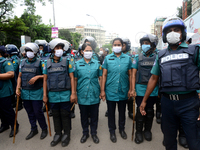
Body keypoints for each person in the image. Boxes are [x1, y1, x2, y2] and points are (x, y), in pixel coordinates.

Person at [140, 17, 200, 150]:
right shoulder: (161, 55)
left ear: (183, 33)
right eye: (169, 31)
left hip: (189, 103)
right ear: (164, 35)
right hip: (167, 104)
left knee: (194, 142)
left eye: (176, 30)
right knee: (169, 141)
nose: (173, 33)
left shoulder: (194, 51)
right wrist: (144, 100)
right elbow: (153, 79)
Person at [43, 39, 77, 147]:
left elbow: (72, 78)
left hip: (65, 94)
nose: (59, 50)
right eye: (57, 48)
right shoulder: (46, 63)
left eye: (61, 48)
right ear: (52, 50)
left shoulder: (68, 61)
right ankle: (58, 133)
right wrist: (44, 95)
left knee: (65, 114)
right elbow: (44, 80)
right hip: (52, 95)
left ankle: (66, 134)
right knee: (56, 115)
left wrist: (73, 93)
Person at [100, 38, 133, 143]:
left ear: (122, 46)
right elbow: (104, 75)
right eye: (115, 44)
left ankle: (122, 129)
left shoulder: (127, 58)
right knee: (111, 113)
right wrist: (102, 91)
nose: (117, 46)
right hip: (110, 90)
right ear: (112, 46)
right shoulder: (108, 58)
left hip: (123, 90)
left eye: (119, 44)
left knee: (122, 112)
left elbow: (131, 74)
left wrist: (132, 89)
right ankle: (112, 131)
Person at [16, 43, 48, 140]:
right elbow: (19, 76)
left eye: (30, 51)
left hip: (36, 92)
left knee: (38, 112)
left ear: (35, 52)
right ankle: (34, 129)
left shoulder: (41, 62)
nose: (28, 53)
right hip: (25, 92)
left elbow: (46, 76)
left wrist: (38, 76)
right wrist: (18, 87)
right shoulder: (22, 62)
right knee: (29, 112)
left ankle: (44, 129)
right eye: (27, 51)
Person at [132, 34, 158, 144]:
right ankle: (138, 131)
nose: (144, 45)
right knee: (140, 109)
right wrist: (132, 89)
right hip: (140, 88)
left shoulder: (157, 57)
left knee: (150, 109)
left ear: (152, 45)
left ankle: (147, 130)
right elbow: (133, 75)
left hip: (153, 89)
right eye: (143, 43)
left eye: (147, 43)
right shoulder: (137, 57)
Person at [74, 43, 102, 144]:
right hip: (82, 94)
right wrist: (74, 93)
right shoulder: (77, 64)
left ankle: (94, 133)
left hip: (94, 94)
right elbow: (75, 79)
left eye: (90, 51)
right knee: (84, 116)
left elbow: (100, 78)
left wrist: (102, 91)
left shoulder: (97, 64)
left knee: (94, 116)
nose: (89, 53)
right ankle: (85, 133)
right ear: (82, 52)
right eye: (87, 51)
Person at [0, 45, 19, 137]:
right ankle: (4, 125)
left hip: (4, 91)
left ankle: (14, 126)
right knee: (0, 111)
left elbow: (11, 74)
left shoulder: (5, 62)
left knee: (7, 110)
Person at [5, 44, 23, 111]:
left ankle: (20, 104)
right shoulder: (10, 59)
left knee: (18, 90)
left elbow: (14, 69)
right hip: (14, 78)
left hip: (16, 78)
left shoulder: (15, 60)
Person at [122, 38, 134, 120]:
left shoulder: (131, 57)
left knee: (130, 97)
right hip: (119, 80)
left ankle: (130, 111)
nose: (121, 47)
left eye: (123, 45)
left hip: (128, 78)